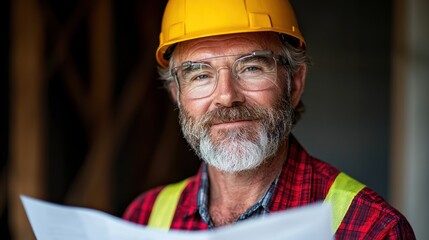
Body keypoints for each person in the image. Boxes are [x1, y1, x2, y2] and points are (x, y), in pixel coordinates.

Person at [123, 0, 415, 238]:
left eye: (251, 68)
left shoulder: (372, 229)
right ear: (177, 93)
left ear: (295, 83)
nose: (226, 96)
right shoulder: (143, 220)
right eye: (200, 75)